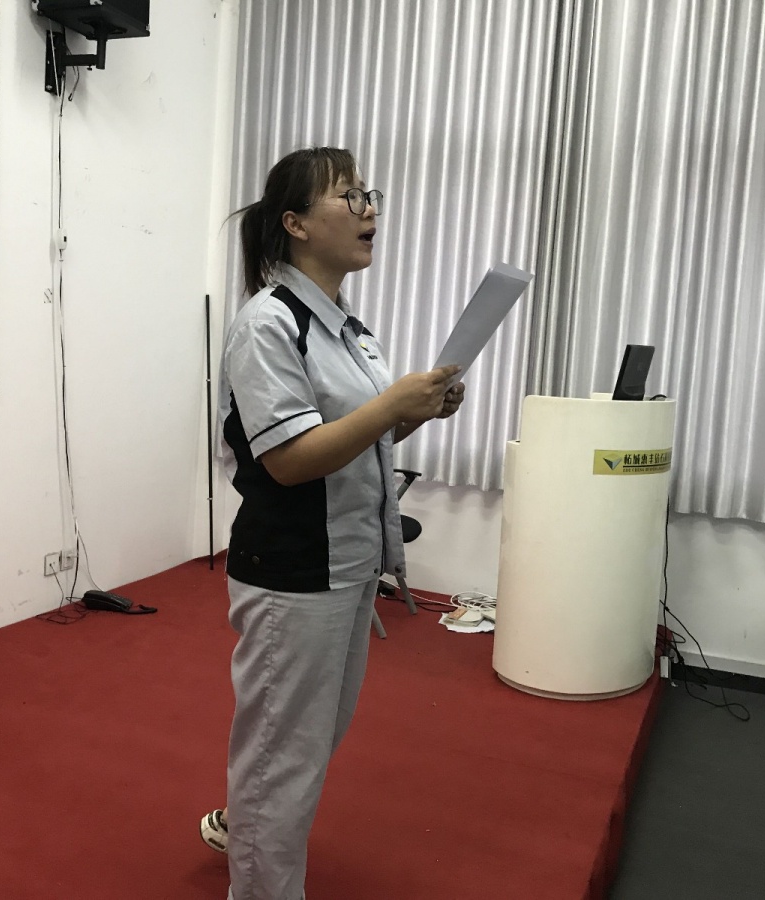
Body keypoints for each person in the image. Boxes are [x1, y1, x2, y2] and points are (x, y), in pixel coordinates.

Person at [200, 147, 465, 900]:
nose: (369, 208)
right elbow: (289, 460)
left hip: (346, 560)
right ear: (295, 224)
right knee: (286, 752)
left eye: (368, 193)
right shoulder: (268, 324)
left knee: (302, 742)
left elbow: (356, 440)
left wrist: (417, 410)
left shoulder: (348, 328)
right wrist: (391, 405)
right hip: (292, 567)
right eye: (349, 196)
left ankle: (247, 820)